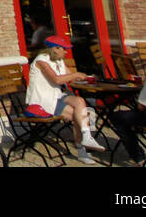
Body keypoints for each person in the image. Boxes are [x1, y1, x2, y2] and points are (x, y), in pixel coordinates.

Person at [25, 35, 105, 163]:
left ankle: (87, 136)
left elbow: (70, 75)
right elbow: (56, 79)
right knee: (78, 115)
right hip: (43, 101)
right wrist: (74, 75)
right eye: (64, 49)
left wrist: (86, 77)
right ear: (55, 49)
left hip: (56, 96)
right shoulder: (42, 61)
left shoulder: (58, 60)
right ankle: (82, 150)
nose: (66, 52)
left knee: (80, 102)